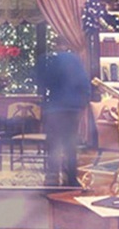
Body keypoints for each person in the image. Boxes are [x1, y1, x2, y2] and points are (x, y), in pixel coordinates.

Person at [36, 49, 91, 187]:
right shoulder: (77, 62)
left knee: (53, 143)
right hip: (72, 109)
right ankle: (71, 178)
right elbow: (85, 85)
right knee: (70, 145)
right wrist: (83, 103)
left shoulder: (53, 61)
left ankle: (52, 177)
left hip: (55, 108)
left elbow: (44, 81)